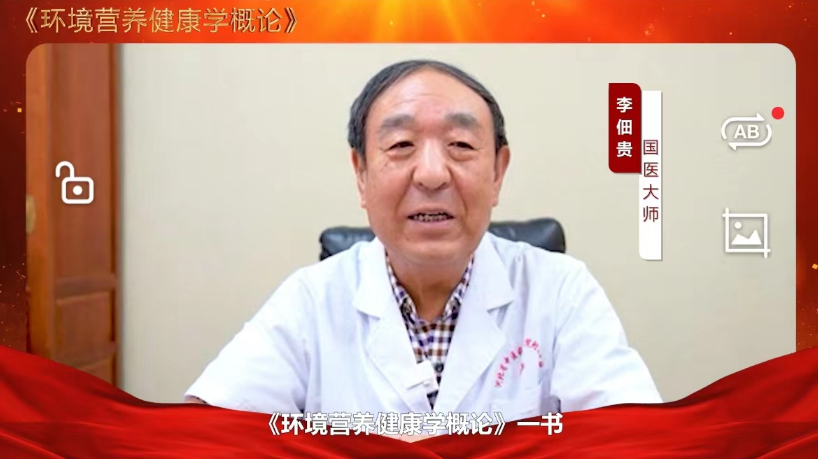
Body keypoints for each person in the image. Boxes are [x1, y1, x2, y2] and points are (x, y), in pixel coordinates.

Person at [185, 59, 662, 432]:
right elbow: (210, 431)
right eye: (401, 146)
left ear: (497, 173)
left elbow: (632, 437)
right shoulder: (311, 300)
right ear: (361, 174)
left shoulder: (560, 290)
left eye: (461, 145)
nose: (432, 174)